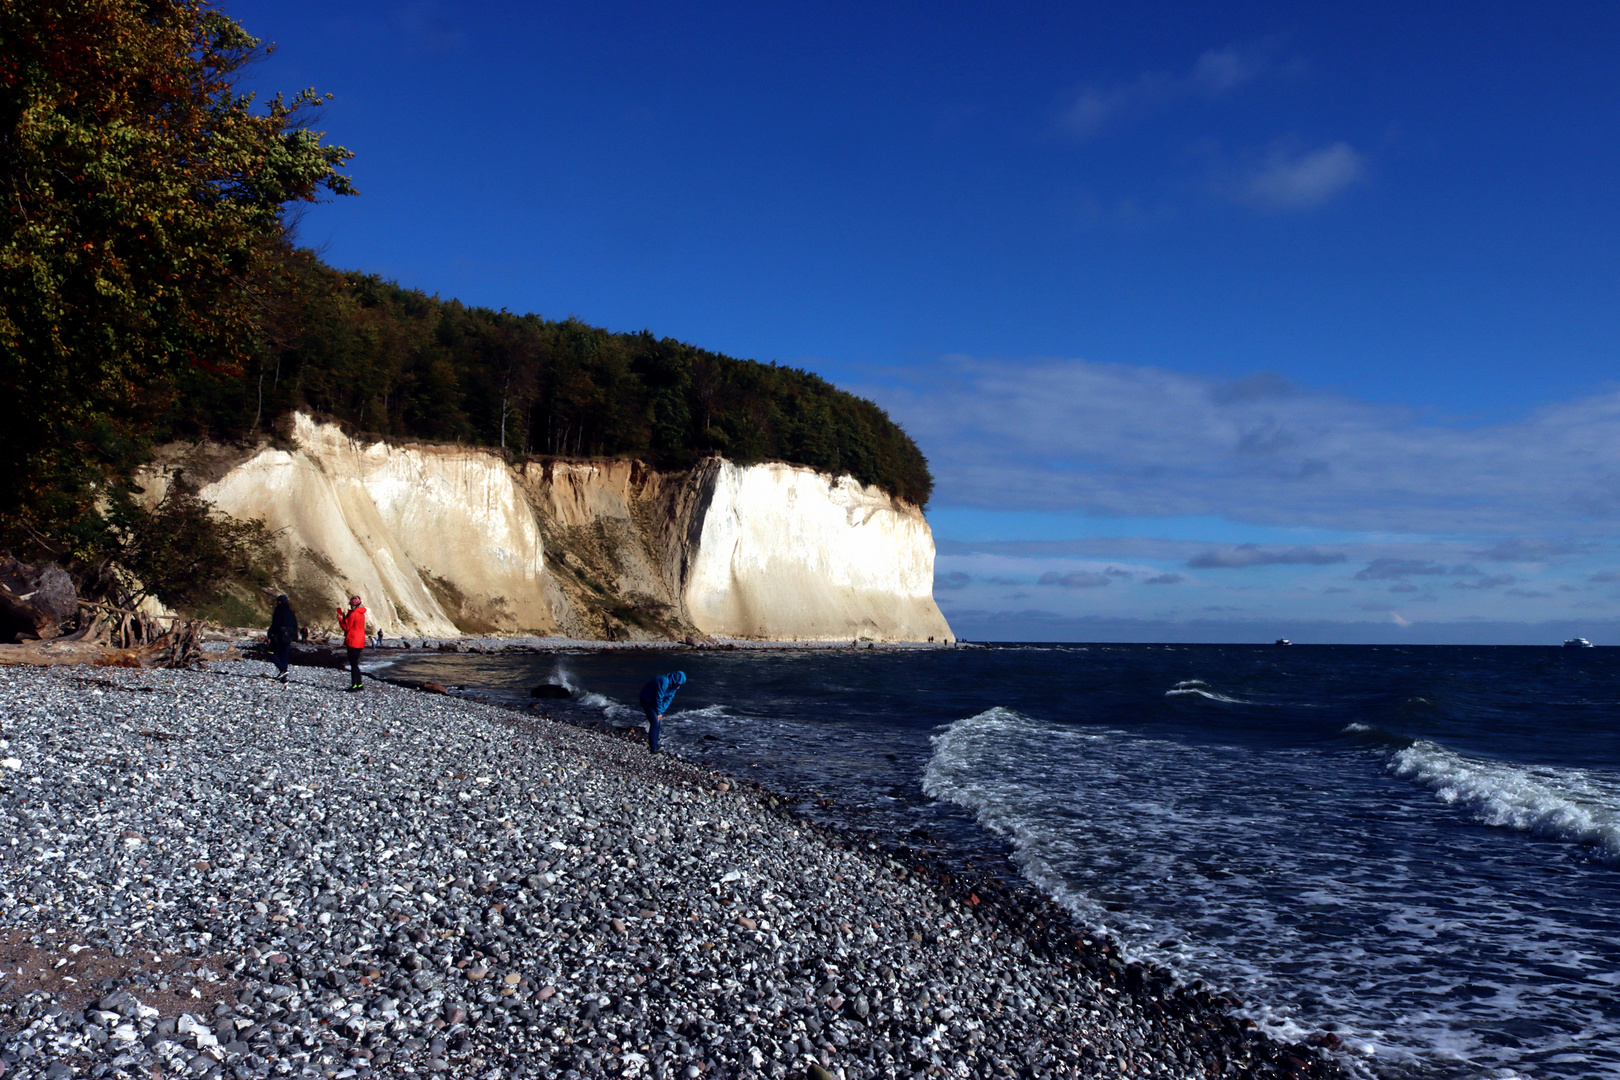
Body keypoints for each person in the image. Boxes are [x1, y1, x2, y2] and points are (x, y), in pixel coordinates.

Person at [638, 671, 687, 754]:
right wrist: (659, 712)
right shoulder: (663, 681)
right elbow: (659, 697)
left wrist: (662, 710)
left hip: (655, 702)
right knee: (655, 723)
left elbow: (669, 699)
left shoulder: (674, 686)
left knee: (658, 722)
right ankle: (653, 748)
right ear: (675, 680)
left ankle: (655, 745)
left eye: (680, 684)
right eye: (678, 683)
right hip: (647, 700)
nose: (679, 685)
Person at [336, 595, 367, 692]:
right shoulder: (361, 614)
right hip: (360, 640)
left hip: (353, 640)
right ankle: (359, 684)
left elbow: (347, 628)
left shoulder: (354, 614)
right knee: (355, 663)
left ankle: (354, 685)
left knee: (353, 664)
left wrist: (340, 619)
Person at [266, 595, 298, 682]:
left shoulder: (278, 610)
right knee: (284, 655)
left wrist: (270, 635)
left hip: (279, 635)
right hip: (289, 636)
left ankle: (282, 669)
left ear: (279, 602)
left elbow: (275, 624)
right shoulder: (291, 612)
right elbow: (295, 625)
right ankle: (284, 677)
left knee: (270, 652)